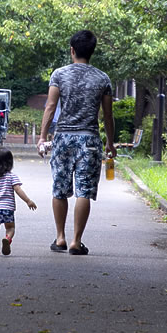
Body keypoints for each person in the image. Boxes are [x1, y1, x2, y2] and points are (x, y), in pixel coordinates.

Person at [37, 29, 116, 255]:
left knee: (60, 188)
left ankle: (60, 237)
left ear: (72, 50)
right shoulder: (103, 78)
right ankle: (76, 241)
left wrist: (43, 137)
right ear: (92, 51)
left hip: (63, 138)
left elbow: (50, 107)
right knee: (84, 191)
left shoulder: (59, 75)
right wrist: (110, 143)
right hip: (90, 139)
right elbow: (108, 115)